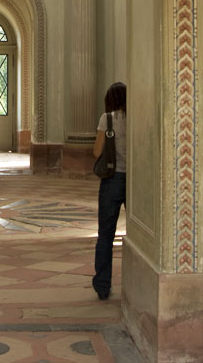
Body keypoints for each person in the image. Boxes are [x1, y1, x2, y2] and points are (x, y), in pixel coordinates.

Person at [92, 81, 127, 300]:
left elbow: (97, 152)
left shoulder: (108, 119)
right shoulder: (139, 117)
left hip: (113, 179)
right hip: (137, 179)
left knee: (106, 235)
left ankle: (103, 286)